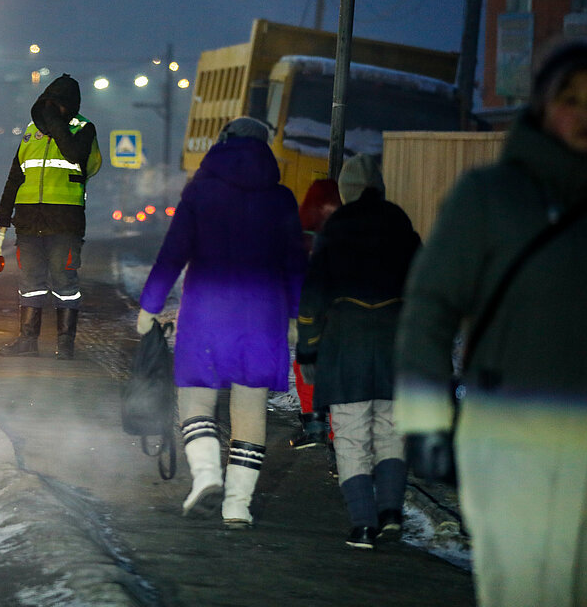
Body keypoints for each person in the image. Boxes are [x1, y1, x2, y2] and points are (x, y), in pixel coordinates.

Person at [395, 40, 587, 605]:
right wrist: (425, 420)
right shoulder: (490, 197)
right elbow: (430, 310)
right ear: (541, 108)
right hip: (511, 441)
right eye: (571, 99)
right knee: (519, 590)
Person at [136, 117, 307, 527]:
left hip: (208, 312)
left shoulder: (200, 193)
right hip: (262, 316)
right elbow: (296, 265)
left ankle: (207, 479)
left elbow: (172, 254)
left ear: (222, 143)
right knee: (250, 407)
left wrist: (149, 306)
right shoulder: (281, 199)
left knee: (196, 398)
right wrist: (297, 316)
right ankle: (238, 505)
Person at [296, 155, 420, 550]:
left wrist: (308, 349)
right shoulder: (403, 227)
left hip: (344, 343)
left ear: (346, 191)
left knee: (350, 437)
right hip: (394, 344)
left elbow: (313, 295)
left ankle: (364, 525)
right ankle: (391, 514)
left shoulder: (335, 231)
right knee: (390, 431)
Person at [0, 74, 101, 360]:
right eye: (48, 103)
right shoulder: (31, 132)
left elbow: (73, 154)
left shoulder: (84, 129)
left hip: (64, 221)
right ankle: (27, 342)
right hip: (29, 221)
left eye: (57, 104)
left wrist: (56, 125)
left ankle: (65, 345)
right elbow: (15, 176)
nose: (51, 109)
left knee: (65, 282)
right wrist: (4, 215)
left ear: (70, 105)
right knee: (30, 283)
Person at [290, 177, 342, 450]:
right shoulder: (346, 232)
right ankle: (336, 440)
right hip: (340, 314)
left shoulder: (302, 236)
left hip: (308, 313)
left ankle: (314, 425)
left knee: (305, 365)